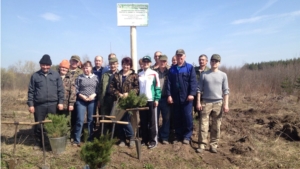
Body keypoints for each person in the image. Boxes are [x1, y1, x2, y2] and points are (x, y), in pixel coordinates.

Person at [27, 54, 64, 149]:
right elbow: (31, 91)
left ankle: (51, 142)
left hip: (53, 104)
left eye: (47, 65)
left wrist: (60, 102)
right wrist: (31, 105)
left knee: (52, 124)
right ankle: (38, 142)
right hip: (39, 105)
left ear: (50, 65)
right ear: (40, 65)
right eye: (43, 65)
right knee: (39, 124)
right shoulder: (35, 76)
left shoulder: (56, 75)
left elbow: (60, 90)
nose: (45, 67)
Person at [196, 54, 229, 153]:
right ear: (210, 62)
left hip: (218, 103)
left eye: (216, 61)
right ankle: (202, 144)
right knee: (203, 125)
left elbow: (226, 91)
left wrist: (226, 104)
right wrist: (198, 102)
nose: (214, 63)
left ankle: (213, 145)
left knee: (216, 126)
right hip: (206, 103)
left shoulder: (223, 75)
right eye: (212, 61)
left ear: (219, 63)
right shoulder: (204, 74)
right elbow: (199, 90)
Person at [167, 49, 197, 145]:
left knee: (187, 117)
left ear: (184, 56)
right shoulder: (172, 69)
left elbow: (193, 82)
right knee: (177, 117)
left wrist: (192, 93)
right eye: (178, 55)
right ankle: (178, 135)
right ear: (176, 56)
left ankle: (187, 136)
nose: (179, 57)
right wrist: (169, 95)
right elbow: (169, 83)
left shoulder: (189, 68)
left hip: (186, 98)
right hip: (175, 97)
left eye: (181, 55)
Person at [110, 57, 139, 148]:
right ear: (122, 65)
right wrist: (119, 94)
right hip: (118, 101)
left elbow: (137, 88)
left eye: (128, 65)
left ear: (130, 66)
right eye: (124, 64)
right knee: (118, 120)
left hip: (129, 102)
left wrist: (129, 94)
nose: (126, 66)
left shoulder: (134, 76)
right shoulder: (116, 75)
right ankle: (122, 139)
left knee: (126, 120)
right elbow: (111, 88)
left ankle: (131, 138)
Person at [73, 61, 99, 147]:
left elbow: (98, 89)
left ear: (91, 68)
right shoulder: (79, 77)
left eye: (87, 68)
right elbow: (76, 89)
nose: (85, 70)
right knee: (80, 120)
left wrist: (94, 95)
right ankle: (77, 140)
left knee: (90, 120)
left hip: (92, 100)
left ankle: (90, 139)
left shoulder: (96, 77)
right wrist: (81, 96)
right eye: (84, 68)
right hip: (81, 100)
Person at [138, 56, 161, 149]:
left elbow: (157, 87)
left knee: (152, 121)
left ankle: (153, 140)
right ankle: (144, 139)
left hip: (151, 100)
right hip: (142, 101)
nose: (146, 63)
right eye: (144, 62)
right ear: (142, 63)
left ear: (150, 63)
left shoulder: (154, 73)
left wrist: (156, 99)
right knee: (143, 121)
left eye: (148, 62)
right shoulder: (139, 74)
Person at [97, 57, 119, 133]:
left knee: (114, 117)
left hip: (115, 99)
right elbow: (100, 88)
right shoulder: (105, 75)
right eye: (111, 64)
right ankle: (104, 135)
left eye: (114, 64)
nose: (113, 66)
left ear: (117, 64)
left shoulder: (119, 74)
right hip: (105, 98)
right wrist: (99, 100)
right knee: (105, 117)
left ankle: (114, 135)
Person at [154, 55, 170, 145]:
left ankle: (164, 137)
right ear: (158, 62)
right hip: (156, 98)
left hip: (165, 98)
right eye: (161, 61)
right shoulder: (154, 72)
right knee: (155, 118)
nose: (163, 63)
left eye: (164, 61)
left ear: (166, 62)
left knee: (166, 118)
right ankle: (155, 136)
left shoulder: (169, 72)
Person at [66, 55, 83, 140]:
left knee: (77, 116)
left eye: (76, 61)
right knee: (68, 117)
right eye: (73, 61)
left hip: (78, 98)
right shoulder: (66, 70)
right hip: (66, 98)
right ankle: (67, 134)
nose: (74, 63)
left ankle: (75, 134)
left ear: (79, 63)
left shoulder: (81, 72)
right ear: (70, 61)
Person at [194, 54, 210, 119]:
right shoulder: (194, 70)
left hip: (205, 96)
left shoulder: (209, 71)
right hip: (194, 95)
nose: (201, 61)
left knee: (203, 115)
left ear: (206, 61)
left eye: (203, 60)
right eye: (200, 60)